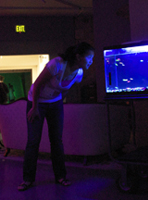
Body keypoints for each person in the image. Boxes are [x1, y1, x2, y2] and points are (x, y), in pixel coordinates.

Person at [18, 42, 95, 191]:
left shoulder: (78, 74)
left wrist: (60, 104)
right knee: (33, 141)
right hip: (37, 102)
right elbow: (38, 84)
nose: (91, 61)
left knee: (57, 141)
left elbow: (64, 90)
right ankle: (27, 179)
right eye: (89, 57)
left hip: (55, 104)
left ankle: (61, 176)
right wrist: (34, 107)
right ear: (78, 57)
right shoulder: (57, 64)